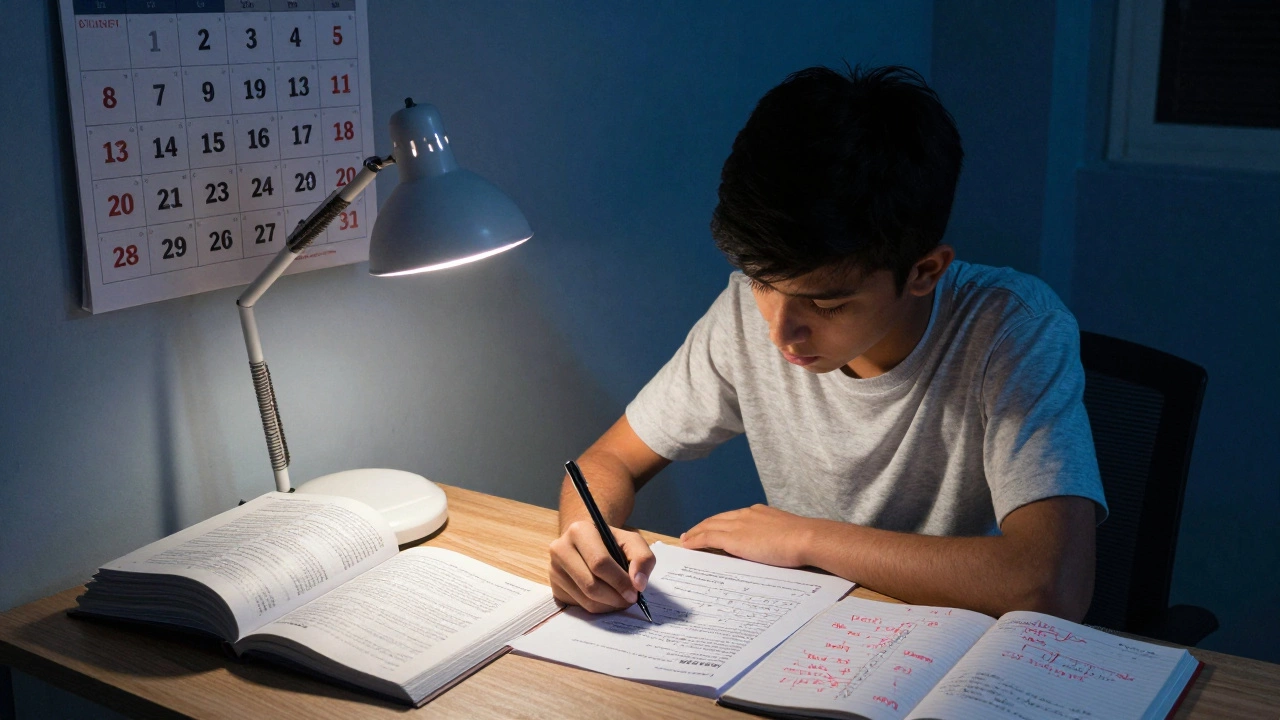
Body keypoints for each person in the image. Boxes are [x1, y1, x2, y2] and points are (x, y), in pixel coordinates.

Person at [548, 65, 1107, 622]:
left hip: (963, 654)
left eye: (828, 303)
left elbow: (1048, 583)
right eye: (764, 284)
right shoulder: (745, 312)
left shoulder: (1013, 328)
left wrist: (807, 539)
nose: (779, 331)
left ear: (924, 272)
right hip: (806, 635)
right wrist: (586, 535)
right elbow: (605, 461)